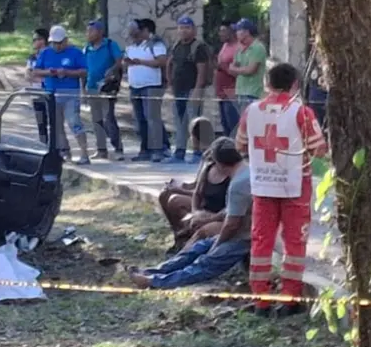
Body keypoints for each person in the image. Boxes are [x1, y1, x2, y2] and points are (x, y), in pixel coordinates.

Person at [236, 62, 329, 317]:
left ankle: (261, 300)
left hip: (263, 186)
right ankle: (289, 299)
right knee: (294, 243)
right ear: (295, 84)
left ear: (267, 84)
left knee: (262, 241)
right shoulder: (302, 112)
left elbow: (241, 145)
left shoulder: (251, 111)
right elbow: (319, 149)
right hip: (295, 186)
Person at [130, 140, 251, 290]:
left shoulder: (238, 183)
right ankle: (153, 272)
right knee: (197, 248)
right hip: (238, 233)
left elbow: (232, 224)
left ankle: (155, 282)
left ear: (220, 163)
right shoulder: (246, 172)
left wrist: (218, 243)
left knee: (205, 263)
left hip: (244, 237)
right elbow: (232, 210)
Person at [158, 129, 232, 251]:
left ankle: (187, 241)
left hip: (217, 213)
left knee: (175, 200)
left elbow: (230, 209)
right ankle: (180, 238)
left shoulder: (232, 175)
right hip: (204, 207)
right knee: (166, 195)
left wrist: (207, 218)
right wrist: (195, 212)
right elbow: (197, 190)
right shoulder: (208, 164)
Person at [32, 25, 90, 164]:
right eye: (54, 43)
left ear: (65, 40)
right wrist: (49, 72)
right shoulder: (45, 53)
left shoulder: (75, 53)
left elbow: (84, 71)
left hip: (70, 92)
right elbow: (36, 71)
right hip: (51, 92)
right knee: (56, 125)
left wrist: (67, 72)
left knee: (74, 122)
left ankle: (84, 153)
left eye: (59, 43)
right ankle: (64, 151)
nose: (56, 46)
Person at [165, 16, 211, 164]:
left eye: (187, 27)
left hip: (192, 89)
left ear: (193, 30)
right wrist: (170, 83)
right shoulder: (177, 45)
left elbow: (202, 70)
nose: (183, 30)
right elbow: (170, 63)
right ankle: (179, 152)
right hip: (178, 90)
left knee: (194, 122)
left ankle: (197, 152)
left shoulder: (198, 47)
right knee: (179, 121)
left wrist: (198, 89)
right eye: (181, 27)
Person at [123, 18, 168, 162]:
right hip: (135, 86)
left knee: (152, 118)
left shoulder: (155, 44)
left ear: (146, 31)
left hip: (151, 86)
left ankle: (158, 149)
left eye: (138, 32)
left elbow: (161, 61)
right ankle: (145, 148)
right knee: (140, 119)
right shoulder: (130, 47)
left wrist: (141, 62)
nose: (135, 35)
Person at [83, 20, 125, 161]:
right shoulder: (87, 48)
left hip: (106, 87)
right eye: (87, 31)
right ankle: (101, 149)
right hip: (92, 87)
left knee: (109, 118)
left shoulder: (110, 45)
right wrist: (83, 89)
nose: (88, 34)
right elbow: (84, 69)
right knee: (96, 120)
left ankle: (118, 148)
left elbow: (119, 61)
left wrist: (111, 70)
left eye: (91, 31)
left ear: (100, 32)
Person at [229, 18, 267, 111]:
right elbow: (231, 70)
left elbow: (251, 70)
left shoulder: (257, 47)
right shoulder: (239, 49)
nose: (236, 33)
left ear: (246, 32)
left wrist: (237, 69)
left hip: (253, 93)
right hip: (240, 92)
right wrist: (240, 69)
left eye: (238, 30)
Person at [214, 20, 241, 136]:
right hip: (221, 93)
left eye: (224, 31)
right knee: (225, 125)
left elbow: (238, 72)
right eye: (220, 31)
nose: (221, 34)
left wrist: (222, 67)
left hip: (232, 92)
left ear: (232, 32)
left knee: (233, 125)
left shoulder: (238, 48)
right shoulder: (225, 46)